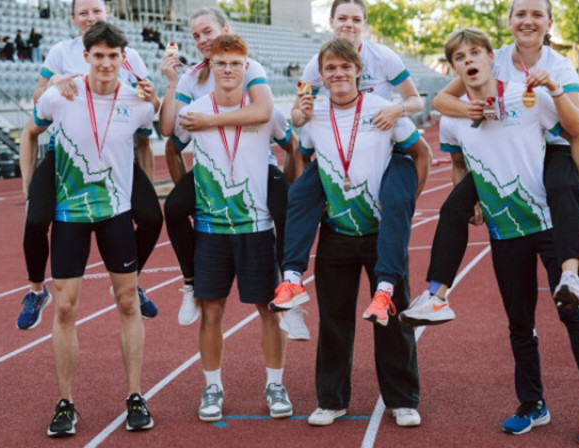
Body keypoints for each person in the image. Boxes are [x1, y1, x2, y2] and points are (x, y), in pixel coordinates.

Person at [438, 27, 579, 446]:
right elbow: (458, 162)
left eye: (475, 53)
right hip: (506, 229)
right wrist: (473, 200)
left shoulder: (526, 95)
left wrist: (577, 191)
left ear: (489, 58)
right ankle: (532, 403)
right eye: (461, 57)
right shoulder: (457, 113)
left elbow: (575, 133)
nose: (469, 60)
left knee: (575, 315)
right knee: (520, 323)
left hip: (549, 222)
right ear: (456, 66)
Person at [400, 0, 579, 325]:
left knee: (563, 187)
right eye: (520, 14)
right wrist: (470, 110)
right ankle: (436, 296)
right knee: (451, 208)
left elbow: (576, 131)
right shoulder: (495, 57)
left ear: (549, 23)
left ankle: (570, 275)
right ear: (509, 20)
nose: (528, 21)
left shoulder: (559, 65)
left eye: (536, 15)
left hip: (550, 147)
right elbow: (444, 100)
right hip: (505, 153)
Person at [23, 21, 156, 436]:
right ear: (85, 57)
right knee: (65, 307)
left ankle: (135, 396)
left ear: (123, 59)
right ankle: (65, 403)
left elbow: (145, 146)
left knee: (128, 302)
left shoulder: (138, 102)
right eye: (97, 55)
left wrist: (142, 198)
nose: (105, 63)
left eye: (112, 56)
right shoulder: (59, 95)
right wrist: (30, 191)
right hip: (69, 214)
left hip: (115, 211)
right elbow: (29, 132)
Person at [270, 0, 430, 333]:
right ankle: (291, 279)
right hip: (334, 140)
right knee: (299, 193)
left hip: (381, 136)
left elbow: (416, 101)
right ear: (330, 21)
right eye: (342, 17)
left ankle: (386, 291)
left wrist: (397, 111)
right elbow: (301, 116)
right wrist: (303, 114)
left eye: (356, 19)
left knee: (396, 199)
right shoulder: (316, 64)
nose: (349, 24)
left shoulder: (383, 57)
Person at [292, 38, 428, 427]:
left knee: (392, 316)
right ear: (322, 74)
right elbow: (303, 157)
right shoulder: (314, 113)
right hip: (337, 232)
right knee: (334, 320)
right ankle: (331, 399)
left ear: (357, 71)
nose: (337, 74)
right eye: (329, 68)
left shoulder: (385, 109)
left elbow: (420, 153)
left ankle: (402, 399)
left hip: (381, 233)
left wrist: (405, 201)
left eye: (344, 67)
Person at [17, 0, 162, 330]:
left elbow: (148, 103)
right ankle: (37, 291)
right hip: (66, 150)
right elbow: (38, 96)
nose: (90, 17)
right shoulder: (61, 52)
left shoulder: (130, 54)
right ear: (73, 18)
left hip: (115, 150)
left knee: (152, 216)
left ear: (106, 14)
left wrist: (152, 94)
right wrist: (56, 83)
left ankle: (130, 282)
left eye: (96, 11)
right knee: (36, 216)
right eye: (83, 12)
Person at [171, 33, 293, 422]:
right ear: (210, 66)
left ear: (246, 66)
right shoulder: (194, 110)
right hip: (211, 228)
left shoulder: (265, 110)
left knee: (269, 309)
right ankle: (212, 387)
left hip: (257, 225)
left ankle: (275, 384)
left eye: (235, 63)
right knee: (211, 310)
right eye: (220, 63)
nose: (227, 69)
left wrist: (280, 187)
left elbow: (294, 146)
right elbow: (172, 147)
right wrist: (183, 190)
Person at [158, 7, 297, 330]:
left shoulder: (247, 66)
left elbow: (262, 110)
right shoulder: (192, 78)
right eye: (196, 36)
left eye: (208, 31)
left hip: (256, 165)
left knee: (287, 208)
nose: (203, 40)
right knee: (176, 208)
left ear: (226, 29)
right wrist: (171, 81)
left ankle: (289, 287)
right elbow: (168, 131)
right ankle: (191, 282)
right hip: (213, 171)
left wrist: (210, 120)